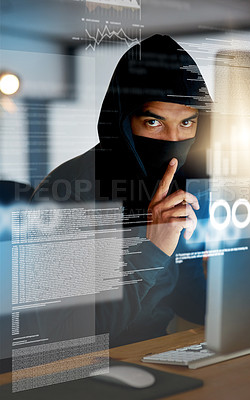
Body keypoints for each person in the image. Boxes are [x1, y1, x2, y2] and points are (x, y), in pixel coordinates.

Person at [32, 34, 212, 347]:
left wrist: (236, 285)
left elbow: (189, 299)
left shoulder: (181, 186)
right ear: (124, 122)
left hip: (158, 354)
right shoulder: (66, 195)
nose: (173, 139)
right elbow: (64, 337)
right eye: (154, 121)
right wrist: (152, 248)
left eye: (187, 123)